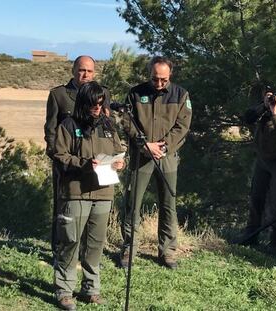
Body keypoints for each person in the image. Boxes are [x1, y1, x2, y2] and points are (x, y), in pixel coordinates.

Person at [53, 81, 124, 310]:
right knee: (70, 242)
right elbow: (59, 155)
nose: (97, 108)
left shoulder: (108, 126)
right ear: (84, 102)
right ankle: (64, 291)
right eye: (93, 104)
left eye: (101, 104)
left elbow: (116, 150)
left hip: (104, 192)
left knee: (95, 244)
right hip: (75, 192)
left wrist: (120, 162)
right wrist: (83, 164)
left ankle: (91, 289)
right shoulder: (68, 125)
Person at [120, 56, 192, 270]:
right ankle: (128, 249)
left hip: (166, 157)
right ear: (148, 74)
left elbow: (183, 125)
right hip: (141, 156)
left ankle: (167, 252)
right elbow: (127, 121)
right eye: (154, 79)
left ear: (170, 75)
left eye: (163, 79)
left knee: (168, 204)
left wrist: (164, 146)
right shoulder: (135, 93)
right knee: (133, 203)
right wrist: (145, 145)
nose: (159, 83)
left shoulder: (181, 95)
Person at [44, 56, 110, 255]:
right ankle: (59, 249)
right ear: (73, 70)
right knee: (64, 206)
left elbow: (106, 125)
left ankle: (84, 251)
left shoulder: (103, 93)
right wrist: (57, 155)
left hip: (96, 162)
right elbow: (51, 128)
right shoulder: (59, 95)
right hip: (68, 162)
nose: (86, 75)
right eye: (82, 70)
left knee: (92, 209)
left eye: (90, 71)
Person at [238, 78, 276, 247]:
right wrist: (263, 106)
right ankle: (250, 236)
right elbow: (248, 118)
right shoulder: (270, 104)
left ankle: (275, 242)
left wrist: (275, 114)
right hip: (263, 159)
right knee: (256, 197)